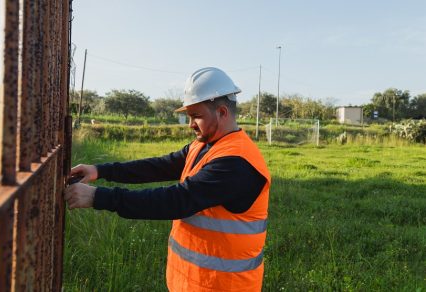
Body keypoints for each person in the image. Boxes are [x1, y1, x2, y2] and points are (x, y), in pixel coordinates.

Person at [64, 67, 271, 291]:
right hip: (192, 282)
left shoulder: (236, 162)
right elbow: (159, 167)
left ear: (222, 112)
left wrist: (98, 197)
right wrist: (100, 170)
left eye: (196, 116)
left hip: (223, 286)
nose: (190, 124)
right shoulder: (205, 145)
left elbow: (177, 200)